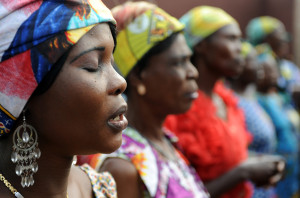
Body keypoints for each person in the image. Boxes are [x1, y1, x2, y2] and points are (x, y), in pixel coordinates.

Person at [0, 0, 128, 197]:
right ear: (23, 94)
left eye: (111, 62)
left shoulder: (101, 188)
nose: (120, 82)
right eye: (92, 66)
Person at [91, 2, 210, 198]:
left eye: (190, 60)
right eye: (178, 62)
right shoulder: (122, 166)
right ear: (138, 76)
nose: (193, 72)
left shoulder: (166, 142)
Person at [164, 6, 285, 198]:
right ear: (202, 45)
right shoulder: (180, 108)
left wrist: (256, 168)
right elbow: (180, 191)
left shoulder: (226, 100)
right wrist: (243, 172)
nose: (241, 48)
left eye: (240, 39)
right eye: (231, 39)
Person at [229, 42, 278, 198]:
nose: (258, 66)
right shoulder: (232, 102)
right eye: (252, 61)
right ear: (239, 65)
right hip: (250, 190)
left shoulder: (251, 98)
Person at [256, 53, 299, 198]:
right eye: (268, 70)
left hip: (292, 169)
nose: (274, 74)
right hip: (276, 171)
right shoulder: (257, 103)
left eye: (275, 69)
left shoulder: (280, 98)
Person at [246, 16, 300, 111]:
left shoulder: (287, 66)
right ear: (267, 39)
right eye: (280, 35)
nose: (284, 41)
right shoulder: (252, 65)